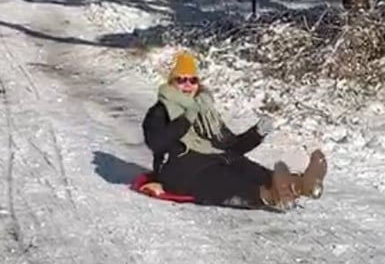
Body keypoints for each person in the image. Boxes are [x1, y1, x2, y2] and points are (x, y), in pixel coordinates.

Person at [141, 51, 328, 211]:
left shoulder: (204, 109)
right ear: (171, 83)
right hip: (181, 170)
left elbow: (230, 145)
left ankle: (302, 185)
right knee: (227, 181)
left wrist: (257, 133)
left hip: (214, 159)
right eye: (181, 80)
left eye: (192, 80)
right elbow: (157, 143)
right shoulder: (160, 111)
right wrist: (185, 120)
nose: (188, 85)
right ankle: (270, 196)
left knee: (246, 167)